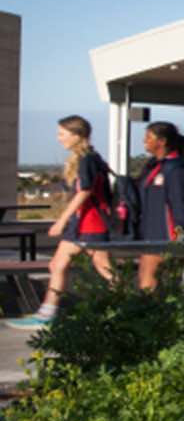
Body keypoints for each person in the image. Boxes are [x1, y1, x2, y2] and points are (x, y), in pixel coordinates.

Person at [6, 115, 118, 329]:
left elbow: (85, 191)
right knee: (58, 265)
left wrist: (61, 220)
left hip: (90, 224)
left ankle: (133, 305)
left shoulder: (87, 160)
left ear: (77, 135)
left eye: (62, 134)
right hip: (83, 225)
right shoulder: (89, 158)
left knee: (104, 269)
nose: (59, 138)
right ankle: (47, 313)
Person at [135, 120, 184, 291]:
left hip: (167, 235)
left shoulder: (177, 170)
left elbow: (181, 205)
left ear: (162, 141)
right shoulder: (154, 167)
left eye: (149, 137)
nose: (144, 141)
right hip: (151, 233)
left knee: (148, 283)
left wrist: (181, 236)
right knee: (148, 280)